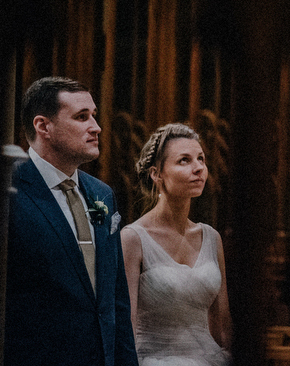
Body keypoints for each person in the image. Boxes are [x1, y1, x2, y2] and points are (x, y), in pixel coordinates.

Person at [5, 76, 139, 366]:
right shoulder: (10, 192)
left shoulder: (102, 193)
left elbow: (115, 299)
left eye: (94, 116)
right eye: (82, 117)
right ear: (43, 127)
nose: (96, 127)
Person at [120, 123, 232, 366]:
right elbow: (125, 324)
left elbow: (222, 327)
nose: (199, 168)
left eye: (201, 159)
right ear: (156, 174)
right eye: (184, 160)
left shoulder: (211, 238)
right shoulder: (133, 238)